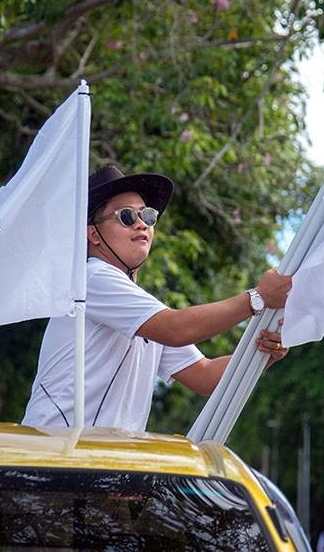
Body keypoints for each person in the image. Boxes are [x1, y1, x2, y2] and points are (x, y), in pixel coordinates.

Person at [21, 165, 293, 432]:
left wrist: (265, 353)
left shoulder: (142, 309)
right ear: (93, 234)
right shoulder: (91, 278)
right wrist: (258, 298)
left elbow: (205, 376)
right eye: (126, 216)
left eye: (147, 216)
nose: (141, 224)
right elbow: (176, 329)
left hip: (97, 455)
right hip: (55, 450)